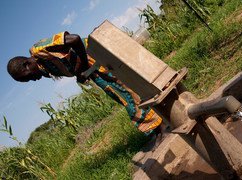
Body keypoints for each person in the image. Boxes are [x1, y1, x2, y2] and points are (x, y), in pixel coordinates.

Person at [7, 31, 164, 136]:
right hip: (92, 68)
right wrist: (80, 75)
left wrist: (82, 66)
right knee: (121, 94)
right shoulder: (43, 66)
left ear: (27, 65)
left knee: (125, 92)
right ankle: (158, 121)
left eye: (28, 77)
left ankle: (158, 126)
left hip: (97, 58)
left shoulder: (39, 49)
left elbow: (74, 39)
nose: (32, 80)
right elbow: (69, 62)